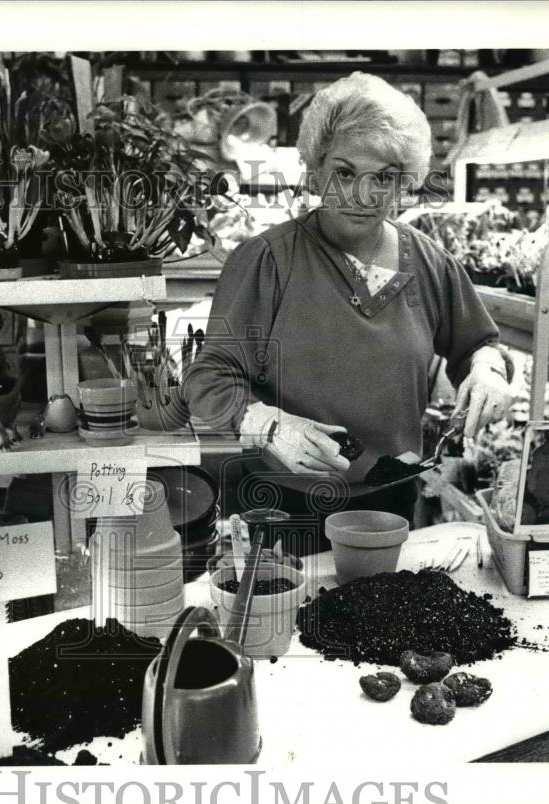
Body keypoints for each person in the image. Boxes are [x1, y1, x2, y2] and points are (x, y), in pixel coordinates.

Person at [184, 73, 513, 556]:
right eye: (344, 172)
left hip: (391, 501)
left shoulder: (427, 261)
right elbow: (208, 379)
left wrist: (487, 369)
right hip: (283, 506)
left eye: (383, 176)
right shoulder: (269, 260)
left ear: (405, 181)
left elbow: (476, 343)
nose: (363, 194)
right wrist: (270, 425)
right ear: (315, 171)